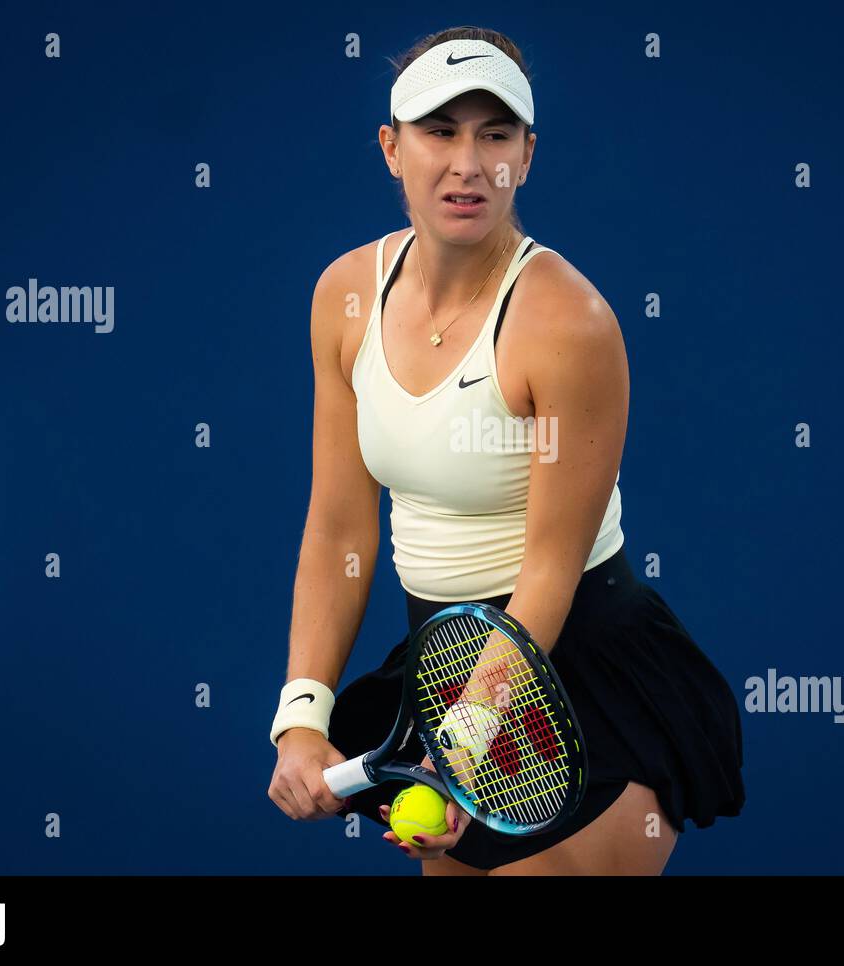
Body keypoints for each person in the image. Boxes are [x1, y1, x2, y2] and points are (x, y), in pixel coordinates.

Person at [266, 26, 744, 875]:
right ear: (390, 148)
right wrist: (303, 713)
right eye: (439, 131)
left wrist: (468, 746)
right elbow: (341, 527)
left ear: (527, 153)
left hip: (578, 671)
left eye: (495, 134)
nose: (468, 162)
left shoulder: (567, 322)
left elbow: (550, 573)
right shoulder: (344, 296)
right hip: (446, 671)